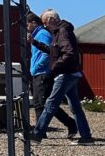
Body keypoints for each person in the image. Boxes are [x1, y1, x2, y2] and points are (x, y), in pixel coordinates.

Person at [32, 9, 94, 144]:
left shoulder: (62, 32)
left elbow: (69, 53)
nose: (44, 26)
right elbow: (53, 51)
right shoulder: (60, 32)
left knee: (51, 103)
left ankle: (37, 135)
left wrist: (54, 69)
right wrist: (35, 43)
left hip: (65, 74)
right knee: (75, 107)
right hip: (72, 73)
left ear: (50, 20)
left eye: (44, 23)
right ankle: (86, 137)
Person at [26, 12, 78, 137]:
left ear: (33, 23)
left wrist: (39, 66)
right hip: (38, 72)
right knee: (40, 103)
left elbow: (48, 53)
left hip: (43, 72)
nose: (26, 27)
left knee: (45, 103)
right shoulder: (38, 35)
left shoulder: (43, 34)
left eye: (27, 24)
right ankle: (40, 131)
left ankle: (69, 123)